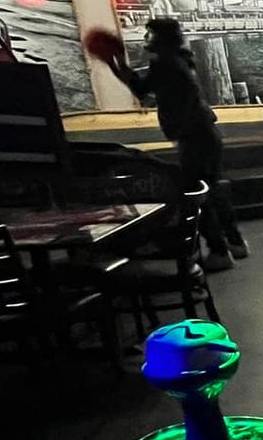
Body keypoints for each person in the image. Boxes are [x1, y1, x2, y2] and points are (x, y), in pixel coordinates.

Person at [102, 18, 246, 270]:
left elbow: (141, 89)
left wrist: (115, 63)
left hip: (195, 137)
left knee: (195, 194)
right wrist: (117, 64)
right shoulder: (180, 59)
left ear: (160, 38)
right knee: (212, 191)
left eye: (149, 34)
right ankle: (235, 243)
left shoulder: (164, 64)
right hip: (206, 134)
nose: (145, 38)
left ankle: (219, 252)